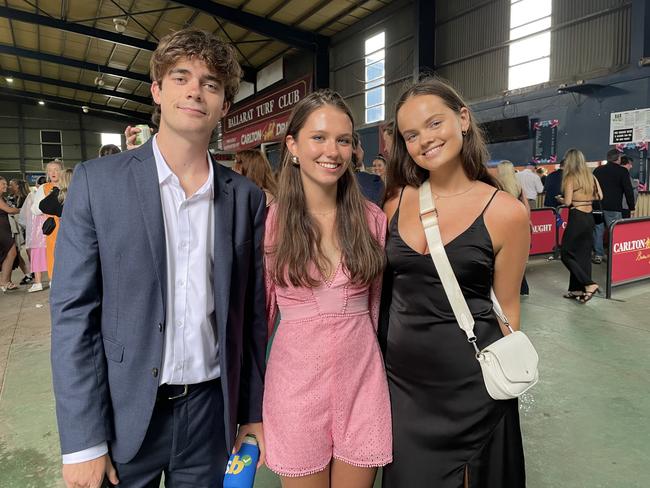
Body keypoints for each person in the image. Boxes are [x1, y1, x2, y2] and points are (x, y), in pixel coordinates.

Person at [50, 28, 267, 488]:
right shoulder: (98, 184)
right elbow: (74, 316)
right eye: (181, 77)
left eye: (211, 84)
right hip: (124, 415)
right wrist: (83, 441)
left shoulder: (245, 198)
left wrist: (251, 413)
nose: (195, 90)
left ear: (224, 105)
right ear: (157, 91)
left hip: (210, 416)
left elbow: (250, 319)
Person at [381, 78, 529, 487]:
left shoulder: (506, 212)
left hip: (474, 389)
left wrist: (502, 384)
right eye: (411, 134)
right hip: (403, 388)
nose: (424, 140)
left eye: (434, 124)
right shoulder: (396, 202)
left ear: (462, 119)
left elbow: (509, 309)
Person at [263, 90, 392, 486]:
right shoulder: (270, 223)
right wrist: (248, 412)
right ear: (293, 146)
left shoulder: (373, 220)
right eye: (318, 137)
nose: (332, 150)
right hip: (294, 390)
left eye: (343, 139)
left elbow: (377, 309)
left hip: (362, 385)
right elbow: (261, 318)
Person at [557, 148, 602, 303]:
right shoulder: (591, 177)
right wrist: (585, 198)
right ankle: (576, 290)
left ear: (569, 161)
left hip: (577, 217)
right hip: (589, 217)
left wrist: (560, 199)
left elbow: (568, 202)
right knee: (582, 254)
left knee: (565, 253)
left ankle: (589, 284)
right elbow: (600, 196)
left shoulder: (570, 177)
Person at [591, 149, 635, 263]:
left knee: (598, 230)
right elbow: (628, 190)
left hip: (597, 205)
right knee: (614, 231)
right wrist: (631, 207)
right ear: (618, 158)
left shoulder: (597, 170)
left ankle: (598, 255)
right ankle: (613, 255)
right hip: (613, 207)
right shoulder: (622, 171)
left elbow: (592, 188)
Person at [497, 160, 531, 295]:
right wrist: (527, 221)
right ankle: (523, 288)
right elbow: (526, 205)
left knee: (503, 258)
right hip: (518, 223)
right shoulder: (518, 185)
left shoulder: (497, 186)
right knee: (518, 257)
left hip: (504, 224)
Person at [32, 159, 63, 279]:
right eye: (50, 170)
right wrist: (49, 202)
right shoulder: (44, 188)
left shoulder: (68, 185)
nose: (53, 172)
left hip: (69, 224)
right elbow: (35, 209)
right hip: (53, 226)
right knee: (53, 253)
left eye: (56, 169)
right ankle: (54, 281)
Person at [19, 176, 48, 292]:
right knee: (51, 255)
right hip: (49, 230)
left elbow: (25, 216)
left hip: (36, 233)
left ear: (36, 185)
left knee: (36, 256)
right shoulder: (50, 194)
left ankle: (38, 282)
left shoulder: (32, 196)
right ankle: (52, 280)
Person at [0, 176, 21, 292]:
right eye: (3, 184)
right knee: (11, 253)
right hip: (1, 230)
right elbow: (10, 210)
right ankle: (4, 281)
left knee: (10, 254)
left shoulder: (2, 197)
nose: (5, 186)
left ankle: (6, 281)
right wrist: (23, 209)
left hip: (5, 228)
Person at [352, 132, 385, 205]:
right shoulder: (372, 182)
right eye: (360, 146)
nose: (376, 168)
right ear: (354, 150)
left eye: (379, 165)